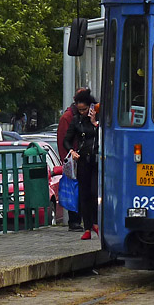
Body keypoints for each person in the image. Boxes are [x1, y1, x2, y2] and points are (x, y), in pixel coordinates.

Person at [63, 88, 100, 240]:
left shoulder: (99, 119)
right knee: (84, 194)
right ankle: (87, 227)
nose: (82, 112)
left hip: (97, 159)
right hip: (83, 159)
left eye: (85, 109)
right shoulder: (76, 120)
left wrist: (94, 123)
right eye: (79, 110)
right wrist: (72, 150)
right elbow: (67, 139)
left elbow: (106, 135)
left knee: (94, 191)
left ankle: (96, 223)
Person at [56, 91, 90, 231]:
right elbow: (64, 141)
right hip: (74, 160)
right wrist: (68, 160)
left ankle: (81, 219)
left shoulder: (85, 116)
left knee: (83, 190)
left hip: (83, 158)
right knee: (75, 190)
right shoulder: (68, 118)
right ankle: (74, 221)